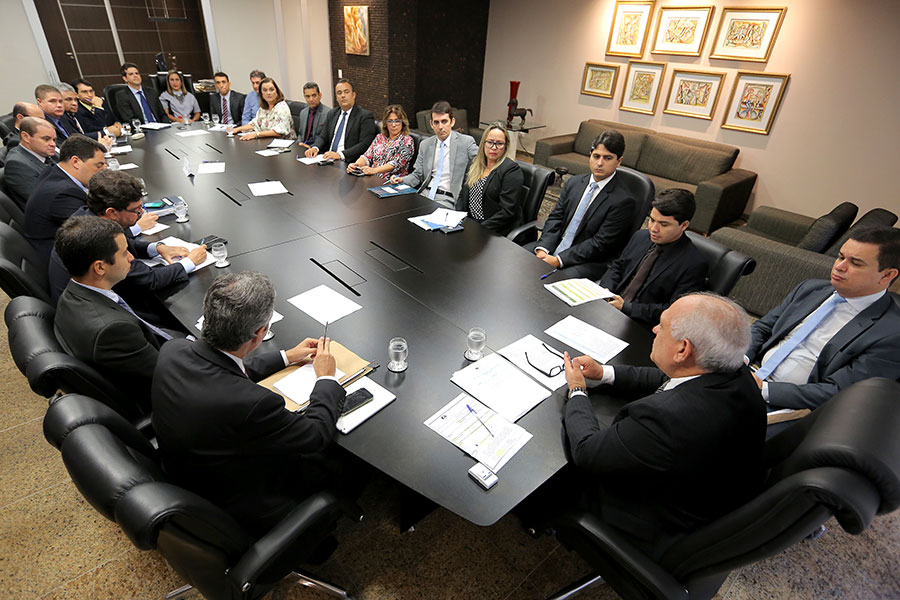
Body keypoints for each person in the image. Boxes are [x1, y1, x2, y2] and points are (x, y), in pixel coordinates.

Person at [561, 293, 766, 551]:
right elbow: (670, 379)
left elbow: (587, 451)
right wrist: (605, 373)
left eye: (662, 324)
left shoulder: (664, 420)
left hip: (656, 520)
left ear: (683, 349)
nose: (655, 329)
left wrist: (577, 390)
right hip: (711, 493)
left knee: (558, 473)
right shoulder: (736, 373)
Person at [152, 271, 347, 534]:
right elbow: (314, 436)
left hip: (185, 472)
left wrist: (287, 357)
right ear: (259, 334)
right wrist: (326, 379)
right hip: (239, 496)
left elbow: (224, 369)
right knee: (342, 466)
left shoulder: (173, 351)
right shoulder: (253, 404)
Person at [748, 227, 900, 411]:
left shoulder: (891, 333)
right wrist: (738, 359)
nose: (839, 266)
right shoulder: (811, 288)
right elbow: (763, 328)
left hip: (789, 404)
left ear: (887, 275)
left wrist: (762, 389)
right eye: (841, 256)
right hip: (749, 373)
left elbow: (840, 391)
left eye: (856, 263)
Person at [48, 170, 207, 319]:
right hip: (101, 313)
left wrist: (156, 248)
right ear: (112, 213)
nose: (141, 214)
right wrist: (190, 262)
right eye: (136, 210)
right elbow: (150, 279)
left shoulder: (88, 217)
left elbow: (125, 242)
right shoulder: (98, 242)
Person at [54, 216, 173, 412]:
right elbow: (170, 374)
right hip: (165, 402)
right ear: (100, 267)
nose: (131, 258)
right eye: (124, 252)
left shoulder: (71, 295)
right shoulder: (113, 330)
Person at [527, 130, 636, 279]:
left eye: (607, 158)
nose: (599, 163)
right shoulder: (574, 182)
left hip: (587, 261)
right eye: (596, 156)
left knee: (553, 285)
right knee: (517, 261)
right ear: (590, 155)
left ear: (619, 161)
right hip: (554, 248)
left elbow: (600, 244)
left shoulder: (623, 201)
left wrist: (559, 260)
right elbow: (555, 218)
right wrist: (543, 249)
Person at [599, 188, 708, 327]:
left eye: (664, 224)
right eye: (652, 220)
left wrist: (626, 307)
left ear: (684, 225)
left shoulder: (694, 264)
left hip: (641, 324)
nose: (653, 228)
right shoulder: (640, 237)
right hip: (609, 307)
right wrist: (605, 289)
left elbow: (675, 310)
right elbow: (618, 266)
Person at [24, 134, 107, 265]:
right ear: (76, 162)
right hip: (66, 263)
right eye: (99, 165)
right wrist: (134, 227)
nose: (103, 170)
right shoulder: (64, 193)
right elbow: (96, 234)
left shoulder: (53, 172)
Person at [390, 101, 478, 208]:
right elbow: (417, 175)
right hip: (424, 194)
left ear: (452, 122)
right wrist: (402, 180)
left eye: (444, 121)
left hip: (448, 198)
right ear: (431, 124)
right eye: (436, 122)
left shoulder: (466, 143)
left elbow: (482, 163)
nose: (440, 126)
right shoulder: (425, 145)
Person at [455, 122, 524, 236]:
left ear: (505, 146)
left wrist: (479, 229)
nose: (493, 147)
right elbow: (463, 195)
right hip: (470, 223)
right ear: (483, 143)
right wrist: (458, 219)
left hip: (494, 230)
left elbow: (507, 211)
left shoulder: (511, 170)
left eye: (499, 144)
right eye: (490, 142)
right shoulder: (474, 163)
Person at [304, 78, 376, 162]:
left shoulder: (365, 116)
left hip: (347, 161)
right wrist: (315, 148)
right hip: (328, 159)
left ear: (353, 95)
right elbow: (323, 136)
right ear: (336, 98)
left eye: (346, 92)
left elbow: (365, 144)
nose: (343, 96)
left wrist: (340, 155)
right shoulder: (332, 113)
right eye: (339, 93)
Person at [347, 104, 414, 179]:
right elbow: (367, 156)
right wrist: (356, 165)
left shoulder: (407, 141)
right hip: (372, 178)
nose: (393, 124)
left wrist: (374, 170)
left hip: (392, 182)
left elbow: (395, 164)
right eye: (390, 121)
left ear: (403, 123)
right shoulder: (379, 137)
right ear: (385, 123)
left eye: (397, 121)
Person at [4, 117, 56, 209]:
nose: (53, 144)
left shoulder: (44, 153)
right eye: (46, 139)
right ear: (26, 137)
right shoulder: (17, 164)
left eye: (54, 140)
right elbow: (45, 201)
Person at [230, 77, 295, 141]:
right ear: (261, 94)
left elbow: (279, 131)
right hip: (267, 141)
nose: (268, 93)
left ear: (277, 91)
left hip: (284, 144)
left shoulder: (282, 107)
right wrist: (237, 129)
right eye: (265, 90)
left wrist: (256, 134)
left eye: (271, 89)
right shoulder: (263, 108)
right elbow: (255, 124)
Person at [297, 82, 329, 148]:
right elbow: (300, 133)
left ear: (320, 95)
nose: (311, 99)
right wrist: (299, 142)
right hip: (302, 147)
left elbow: (326, 139)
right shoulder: (303, 113)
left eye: (314, 95)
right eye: (307, 96)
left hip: (317, 150)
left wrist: (312, 147)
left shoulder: (328, 113)